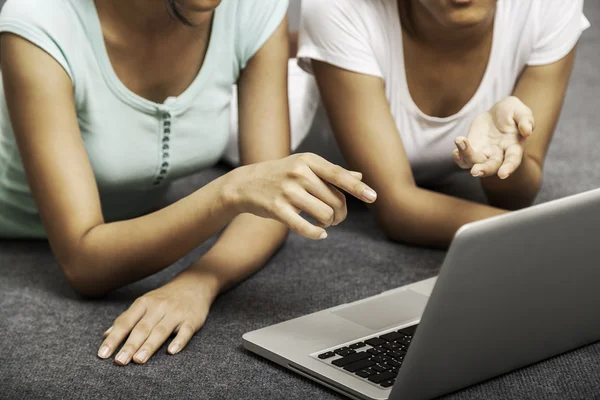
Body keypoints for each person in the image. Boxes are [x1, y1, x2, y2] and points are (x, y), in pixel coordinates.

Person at [0, 0, 378, 365]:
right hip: (19, 247)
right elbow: (83, 262)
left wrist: (198, 281)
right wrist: (229, 191)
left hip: (141, 227)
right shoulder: (40, 18)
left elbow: (267, 200)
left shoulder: (251, 6)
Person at [297, 0, 590, 248]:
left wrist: (496, 158)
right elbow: (396, 208)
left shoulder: (547, 6)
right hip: (286, 161)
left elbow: (516, 194)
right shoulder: (338, 7)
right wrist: (551, 241)